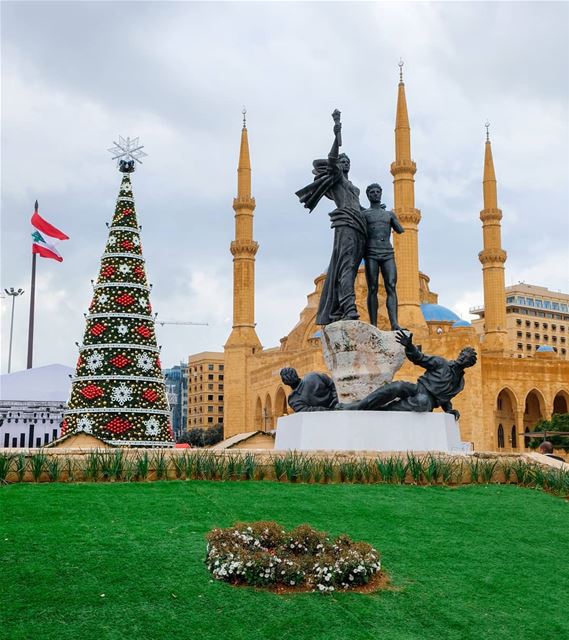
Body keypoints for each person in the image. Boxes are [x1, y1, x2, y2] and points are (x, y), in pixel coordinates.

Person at [296, 111, 366, 324]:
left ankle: (345, 306)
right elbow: (333, 157)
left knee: (352, 269)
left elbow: (358, 206)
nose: (345, 163)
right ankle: (348, 306)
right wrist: (337, 133)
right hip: (345, 223)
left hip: (359, 226)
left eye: (348, 161)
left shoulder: (353, 187)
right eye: (343, 161)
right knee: (345, 266)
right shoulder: (337, 179)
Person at [337, 331, 477, 419]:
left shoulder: (459, 383)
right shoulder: (441, 363)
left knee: (421, 402)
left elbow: (444, 397)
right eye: (462, 355)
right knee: (398, 386)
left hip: (428, 401)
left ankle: (379, 412)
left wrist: (449, 410)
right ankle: (358, 406)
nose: (462, 358)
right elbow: (420, 358)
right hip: (418, 388)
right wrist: (409, 347)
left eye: (466, 358)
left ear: (469, 364)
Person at [362, 183, 404, 329]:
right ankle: (373, 324)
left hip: (387, 252)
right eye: (372, 192)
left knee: (391, 286)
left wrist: (393, 217)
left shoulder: (388, 214)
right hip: (371, 253)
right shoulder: (365, 214)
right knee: (372, 288)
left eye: (377, 191)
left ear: (381, 193)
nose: (375, 194)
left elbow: (400, 230)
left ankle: (394, 323)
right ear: (368, 195)